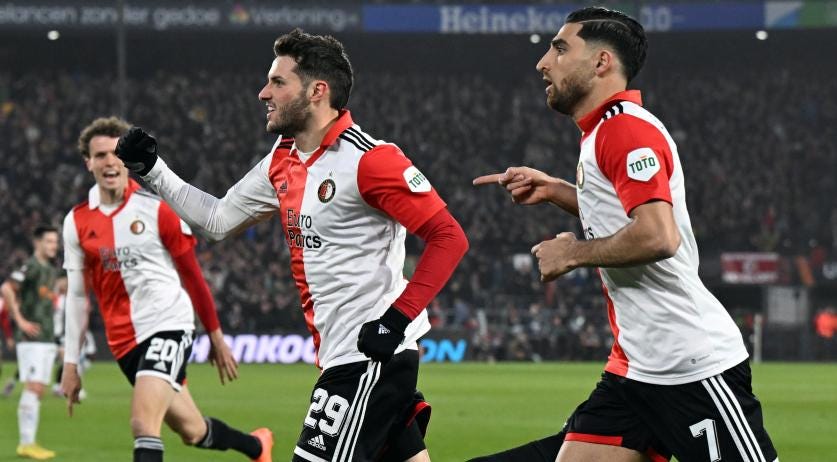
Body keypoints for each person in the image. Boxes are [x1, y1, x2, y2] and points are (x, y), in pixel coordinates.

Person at [115, 28, 469, 462]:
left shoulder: (370, 160)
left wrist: (394, 321)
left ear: (318, 91)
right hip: (341, 353)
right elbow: (218, 220)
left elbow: (449, 237)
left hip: (369, 357)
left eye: (278, 82)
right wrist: (153, 170)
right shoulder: (283, 158)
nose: (264, 92)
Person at [472, 7, 777, 462]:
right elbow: (623, 215)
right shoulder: (602, 132)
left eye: (559, 49)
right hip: (636, 370)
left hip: (690, 367)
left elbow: (658, 236)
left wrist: (574, 253)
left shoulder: (623, 131)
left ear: (600, 63)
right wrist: (557, 190)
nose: (543, 63)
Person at [59, 117, 273, 462]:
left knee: (143, 424)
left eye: (116, 153)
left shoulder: (158, 209)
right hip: (123, 342)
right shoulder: (77, 221)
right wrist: (71, 363)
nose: (109, 162)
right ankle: (257, 447)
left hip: (167, 324)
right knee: (192, 431)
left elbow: (193, 276)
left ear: (126, 159)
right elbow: (78, 296)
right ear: (88, 163)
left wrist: (216, 337)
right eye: (99, 155)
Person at [1, 225, 64, 459]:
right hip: (32, 338)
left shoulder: (49, 269)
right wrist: (20, 320)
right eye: (48, 242)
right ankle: (25, 443)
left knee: (39, 390)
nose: (53, 246)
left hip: (46, 337)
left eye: (55, 242)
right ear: (37, 243)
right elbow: (7, 288)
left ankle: (30, 441)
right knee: (33, 387)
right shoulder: (32, 266)